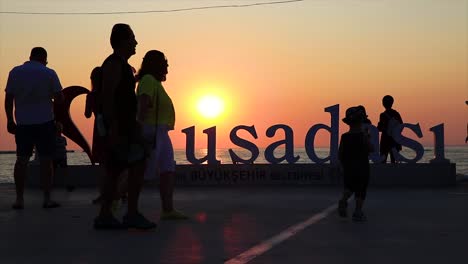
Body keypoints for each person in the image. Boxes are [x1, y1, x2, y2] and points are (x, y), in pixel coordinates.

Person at [93, 23, 156, 230]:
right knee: (131, 166)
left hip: (126, 127)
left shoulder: (123, 66)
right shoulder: (113, 64)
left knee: (118, 170)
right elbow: (108, 96)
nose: (136, 42)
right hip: (120, 128)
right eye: (132, 38)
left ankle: (108, 215)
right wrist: (112, 127)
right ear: (122, 41)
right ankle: (128, 213)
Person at [4, 47, 64, 209]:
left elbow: (9, 99)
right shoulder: (49, 73)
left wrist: (10, 120)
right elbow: (60, 99)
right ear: (44, 59)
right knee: (46, 161)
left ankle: (19, 199)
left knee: (21, 161)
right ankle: (46, 198)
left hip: (23, 124)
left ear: (30, 57)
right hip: (45, 123)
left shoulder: (15, 72)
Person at [136, 50, 188, 220]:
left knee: (167, 169)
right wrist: (140, 132)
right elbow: (143, 105)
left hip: (160, 132)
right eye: (165, 64)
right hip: (151, 131)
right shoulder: (148, 81)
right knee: (140, 171)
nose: (167, 67)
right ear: (156, 65)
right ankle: (113, 202)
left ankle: (167, 209)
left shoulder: (155, 83)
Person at [337, 106, 373, 222]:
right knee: (361, 189)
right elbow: (370, 148)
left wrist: (342, 166)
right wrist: (367, 137)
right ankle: (358, 211)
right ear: (361, 121)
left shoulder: (344, 136)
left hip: (348, 167)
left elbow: (340, 153)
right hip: (362, 167)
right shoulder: (363, 135)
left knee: (349, 187)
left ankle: (343, 200)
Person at [377, 95, 403, 163]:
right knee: (394, 161)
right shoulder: (396, 114)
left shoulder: (382, 115)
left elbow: (379, 128)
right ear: (392, 103)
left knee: (382, 161)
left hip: (385, 140)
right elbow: (401, 126)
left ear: (383, 104)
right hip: (395, 140)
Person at [53, 121, 74, 192]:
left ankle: (68, 185)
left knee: (65, 172)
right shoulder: (53, 138)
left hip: (62, 157)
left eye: (60, 128)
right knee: (53, 172)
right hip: (55, 157)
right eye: (58, 128)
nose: (60, 130)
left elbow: (64, 147)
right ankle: (50, 184)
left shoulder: (63, 138)